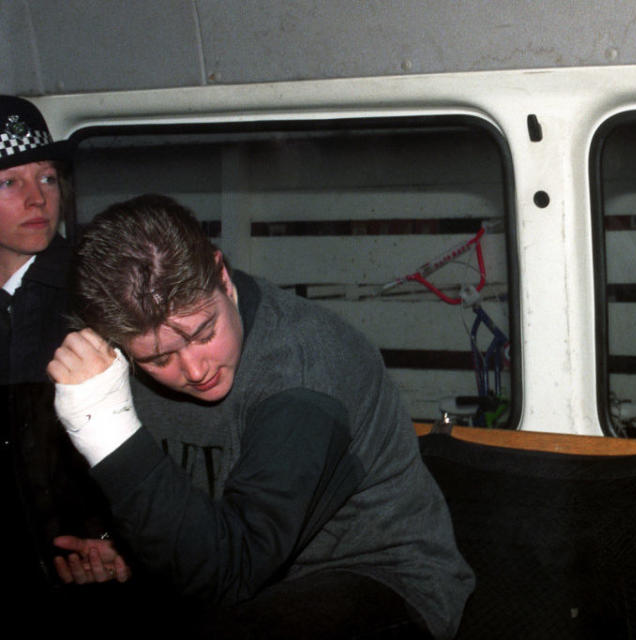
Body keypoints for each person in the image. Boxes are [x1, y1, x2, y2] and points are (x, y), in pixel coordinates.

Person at [49, 194, 474, 638]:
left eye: (205, 332)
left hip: (381, 578)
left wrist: (106, 426)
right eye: (159, 359)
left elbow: (229, 575)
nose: (196, 370)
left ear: (223, 277)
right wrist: (118, 545)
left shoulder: (303, 376)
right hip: (240, 568)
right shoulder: (113, 369)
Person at [0, 95, 129, 610]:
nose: (38, 199)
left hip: (83, 567)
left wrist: (111, 540)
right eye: (10, 182)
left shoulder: (96, 291)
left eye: (47, 178)